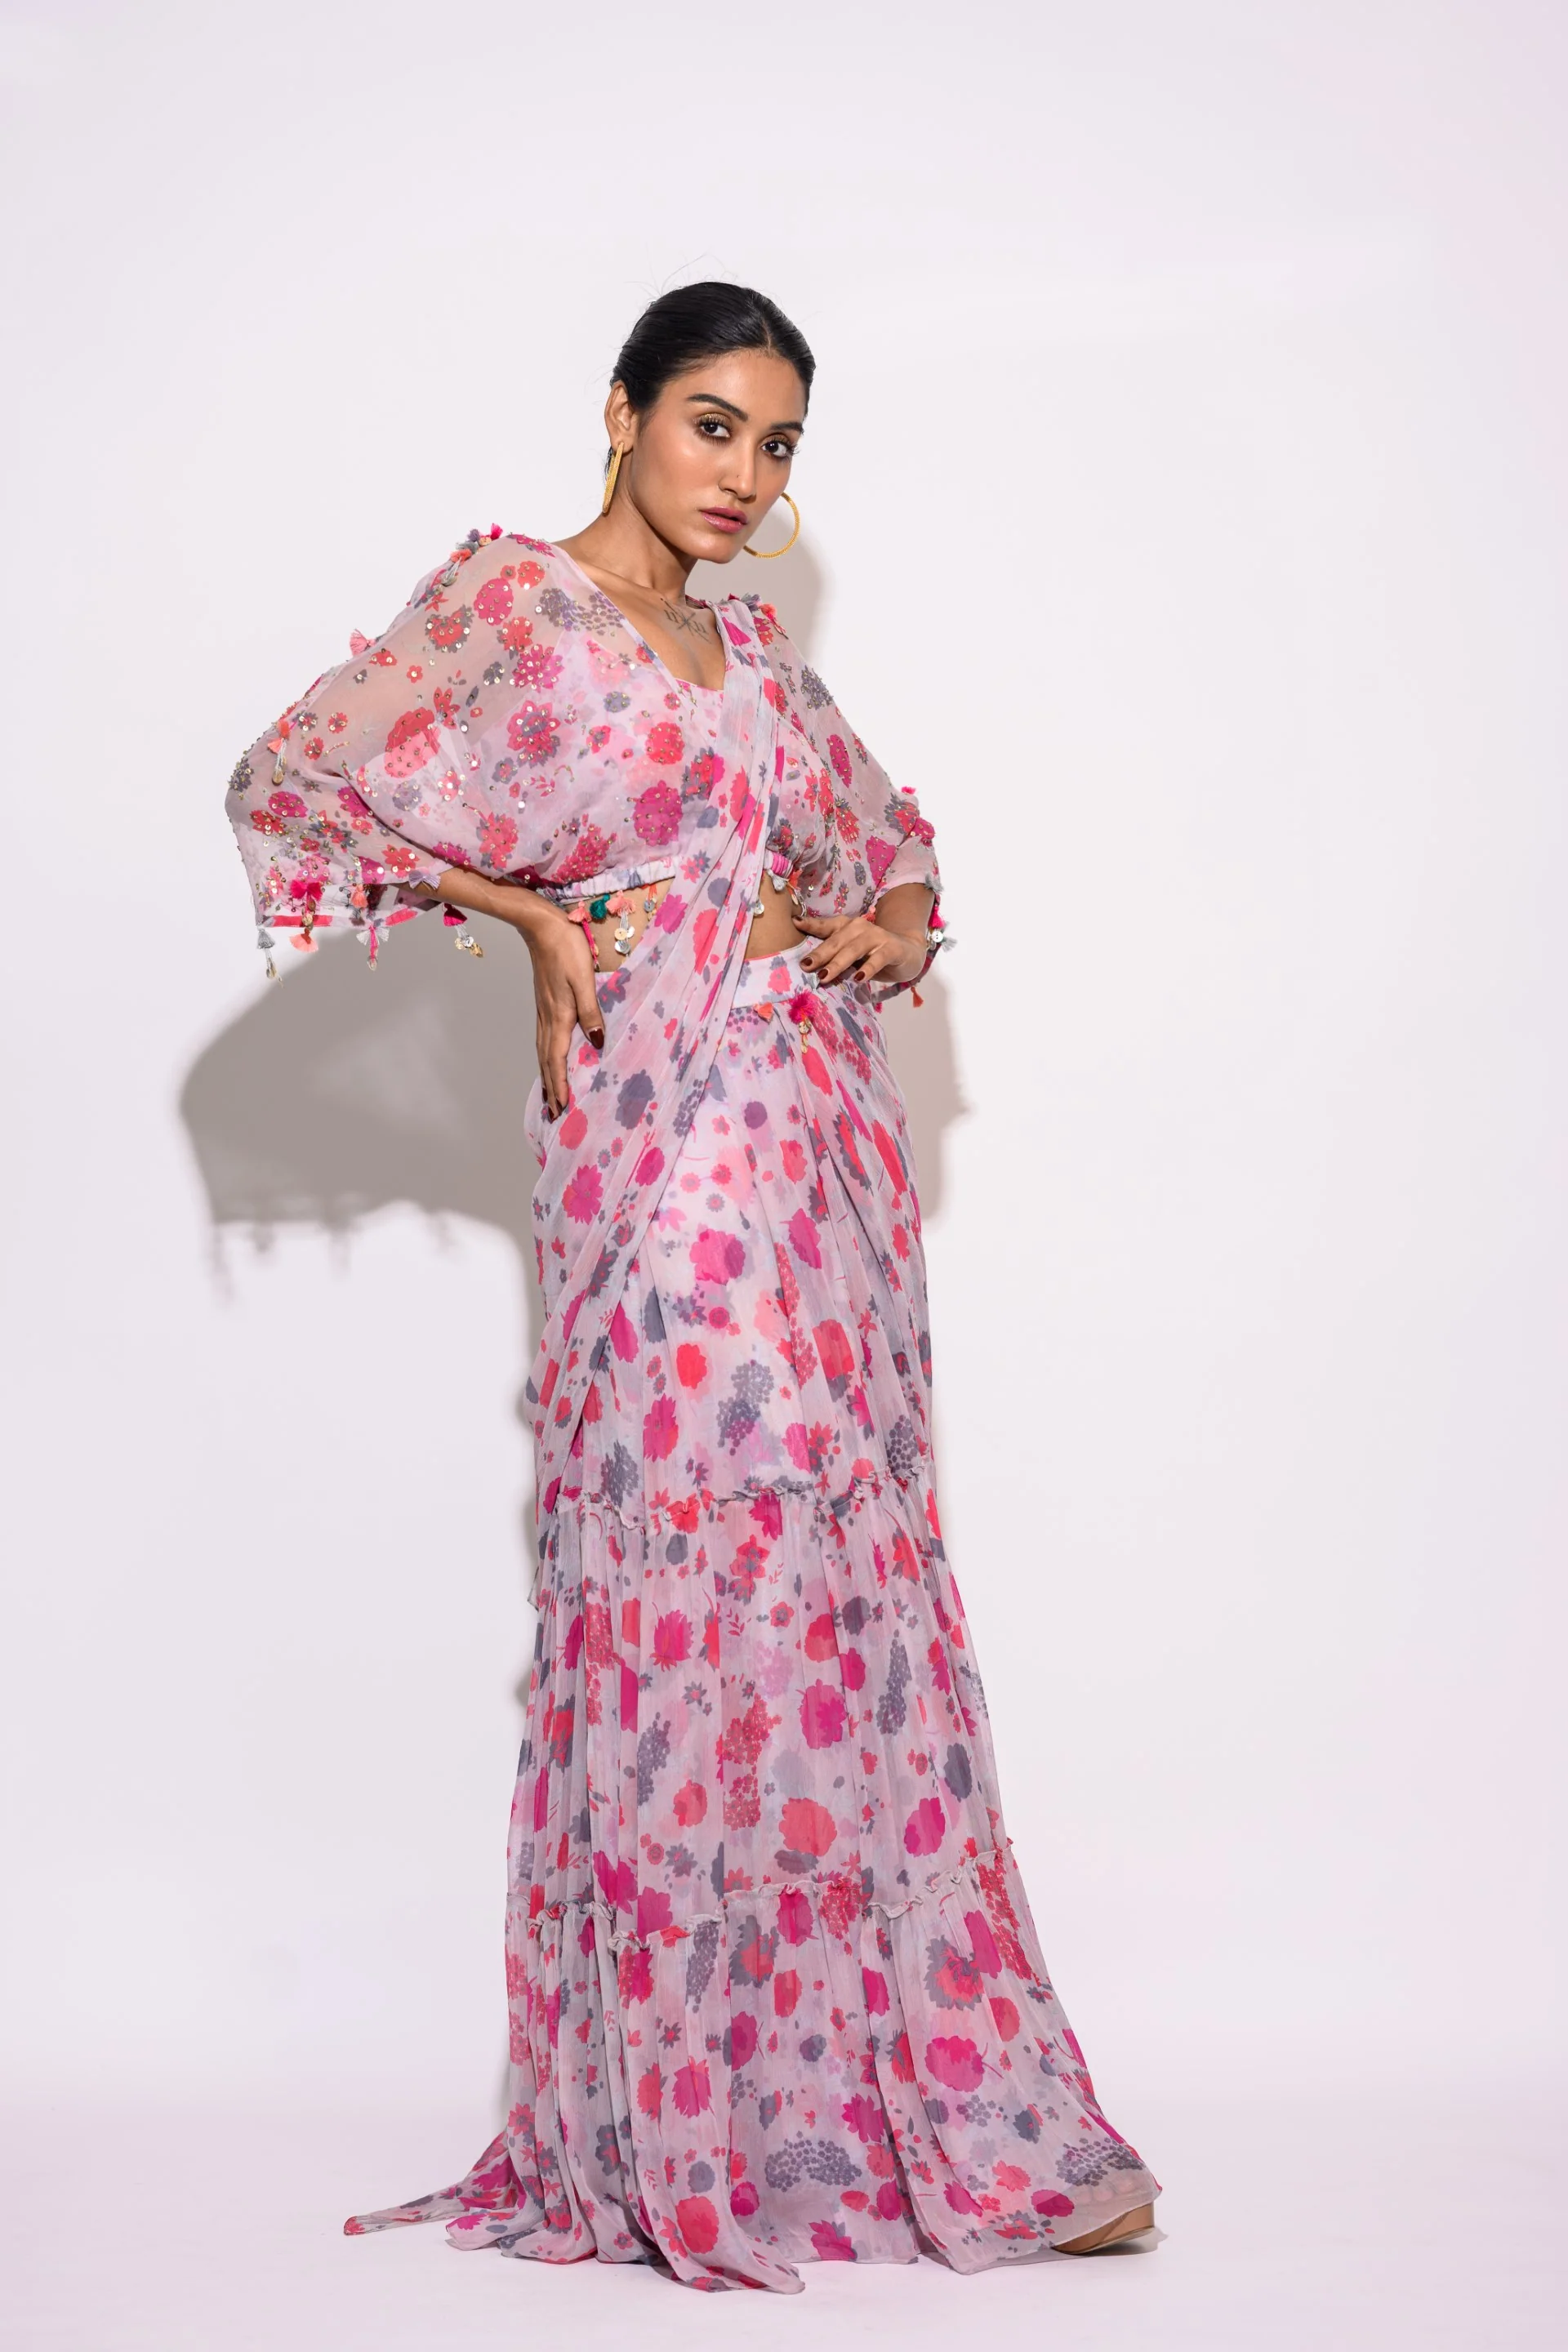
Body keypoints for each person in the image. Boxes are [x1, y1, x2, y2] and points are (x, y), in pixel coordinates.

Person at [225, 282, 1160, 2292]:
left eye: (779, 443)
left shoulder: (760, 663)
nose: (744, 474)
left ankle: (894, 2107)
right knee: (681, 1565)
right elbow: (293, 779)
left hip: (816, 1162)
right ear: (624, 411)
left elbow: (889, 839)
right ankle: (669, 2119)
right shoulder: (513, 608)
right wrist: (523, 916)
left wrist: (893, 916)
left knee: (830, 1581)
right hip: (652, 1166)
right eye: (714, 424)